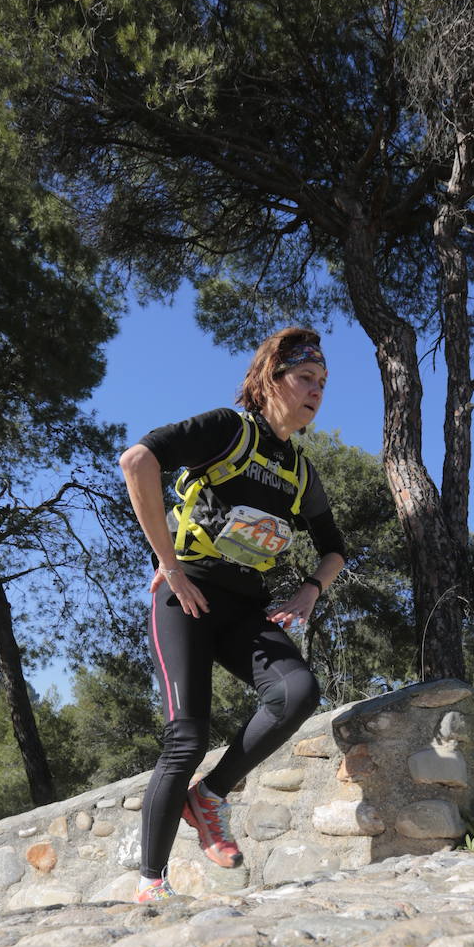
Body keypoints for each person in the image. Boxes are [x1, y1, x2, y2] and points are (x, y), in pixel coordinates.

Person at [119, 327, 346, 902]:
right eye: (305, 378)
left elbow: (335, 547)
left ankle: (211, 796)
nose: (316, 391)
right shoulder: (228, 430)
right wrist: (167, 564)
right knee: (187, 736)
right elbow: (138, 460)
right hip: (186, 597)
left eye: (322, 382)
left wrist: (311, 590)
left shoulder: (300, 471)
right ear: (272, 379)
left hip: (246, 608)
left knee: (297, 692)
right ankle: (151, 885)